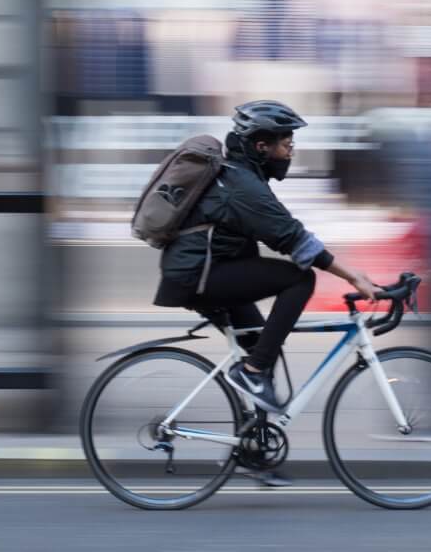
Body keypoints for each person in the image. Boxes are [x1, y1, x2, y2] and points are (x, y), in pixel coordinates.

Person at [154, 100, 379, 484]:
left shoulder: (242, 177)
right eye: (285, 140)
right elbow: (294, 240)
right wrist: (354, 277)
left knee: (261, 344)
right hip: (199, 276)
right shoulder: (241, 185)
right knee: (299, 279)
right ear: (261, 145)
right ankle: (253, 372)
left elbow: (284, 233)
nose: (291, 147)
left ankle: (254, 451)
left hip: (204, 273)